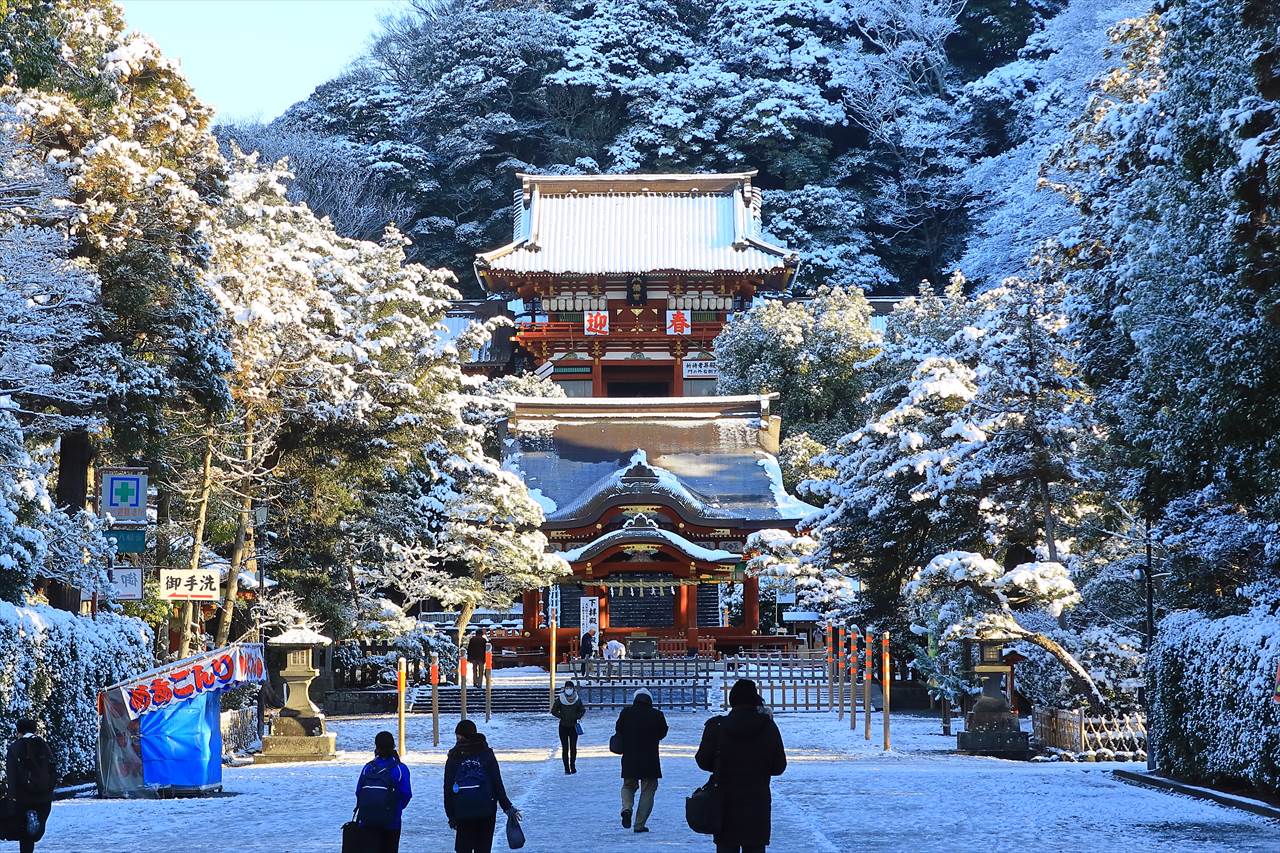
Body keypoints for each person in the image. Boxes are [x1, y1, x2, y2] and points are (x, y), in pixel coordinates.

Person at [695, 679, 786, 853]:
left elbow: (702, 761)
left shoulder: (717, 726)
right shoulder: (768, 726)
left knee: (726, 847)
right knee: (754, 847)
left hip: (724, 802)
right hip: (757, 802)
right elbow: (779, 766)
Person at [444, 720, 521, 853]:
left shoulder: (454, 756)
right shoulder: (486, 754)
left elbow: (447, 788)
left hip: (463, 810)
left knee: (464, 848)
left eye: (458, 737)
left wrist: (451, 815)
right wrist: (507, 807)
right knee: (483, 849)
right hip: (486, 810)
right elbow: (497, 783)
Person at [613, 687, 667, 834]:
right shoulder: (657, 714)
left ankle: (626, 809)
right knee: (648, 790)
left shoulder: (626, 713)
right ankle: (639, 824)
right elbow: (663, 732)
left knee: (628, 786)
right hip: (650, 758)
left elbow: (618, 729)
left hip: (630, 757)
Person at [354, 730, 412, 853]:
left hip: (367, 820)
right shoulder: (400, 769)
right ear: (393, 746)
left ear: (376, 746)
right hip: (392, 821)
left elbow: (359, 791)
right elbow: (406, 794)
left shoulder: (368, 767)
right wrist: (396, 808)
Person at [5, 719, 56, 853]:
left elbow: (12, 777)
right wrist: (48, 792)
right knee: (31, 834)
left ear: (19, 731)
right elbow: (53, 770)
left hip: (24, 797)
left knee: (22, 831)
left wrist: (11, 801)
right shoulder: (44, 746)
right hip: (43, 797)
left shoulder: (15, 747)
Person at [550, 680, 586, 774]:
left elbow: (582, 710)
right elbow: (553, 711)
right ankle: (566, 768)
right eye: (567, 688)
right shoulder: (560, 699)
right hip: (563, 726)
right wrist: (561, 716)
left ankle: (573, 766)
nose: (568, 690)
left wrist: (577, 717)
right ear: (564, 689)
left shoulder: (577, 699)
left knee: (573, 748)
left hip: (574, 726)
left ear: (573, 689)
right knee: (565, 748)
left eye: (570, 688)